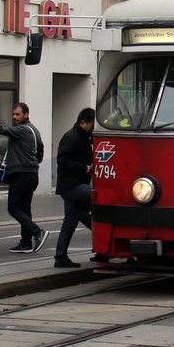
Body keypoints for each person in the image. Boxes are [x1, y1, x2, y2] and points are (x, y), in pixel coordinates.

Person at [0, 103, 49, 253]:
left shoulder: (21, 130)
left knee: (13, 208)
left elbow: (4, 129)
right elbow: (40, 151)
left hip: (21, 174)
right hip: (32, 174)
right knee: (25, 209)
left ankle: (37, 232)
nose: (14, 117)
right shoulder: (34, 131)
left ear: (26, 115)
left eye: (18, 114)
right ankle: (26, 243)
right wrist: (32, 163)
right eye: (13, 114)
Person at [53, 107, 95, 268]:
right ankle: (100, 237)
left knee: (70, 222)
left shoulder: (84, 136)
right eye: (91, 125)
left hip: (72, 185)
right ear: (82, 122)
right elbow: (62, 160)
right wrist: (84, 168)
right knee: (100, 198)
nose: (92, 129)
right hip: (72, 185)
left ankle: (60, 257)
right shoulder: (72, 137)